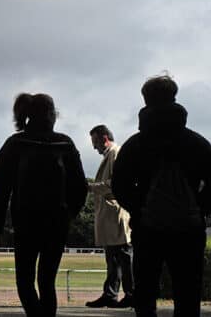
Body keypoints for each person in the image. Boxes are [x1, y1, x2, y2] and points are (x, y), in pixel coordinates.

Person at [112, 74, 211, 317]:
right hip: (189, 229)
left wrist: (139, 208)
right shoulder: (195, 142)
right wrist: (199, 207)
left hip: (148, 229)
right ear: (174, 98)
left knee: (145, 293)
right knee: (188, 293)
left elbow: (120, 185)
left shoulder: (136, 144)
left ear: (145, 100)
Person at [0, 93, 88, 317]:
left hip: (25, 222)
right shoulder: (65, 144)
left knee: (24, 281)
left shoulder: (15, 144)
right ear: (52, 115)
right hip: (57, 223)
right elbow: (80, 188)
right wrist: (69, 214)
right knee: (47, 281)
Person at [85, 124, 134, 308]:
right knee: (114, 258)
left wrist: (91, 187)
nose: (94, 147)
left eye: (95, 141)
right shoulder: (111, 154)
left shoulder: (115, 153)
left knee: (123, 257)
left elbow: (116, 183)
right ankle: (111, 294)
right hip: (110, 215)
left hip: (115, 214)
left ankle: (130, 294)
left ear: (104, 138)